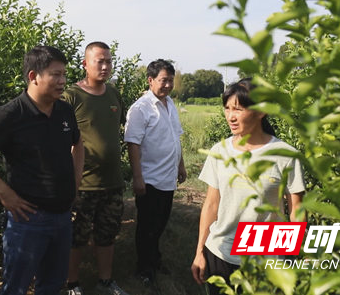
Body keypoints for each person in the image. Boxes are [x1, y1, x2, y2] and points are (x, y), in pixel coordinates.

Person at [0, 46, 84, 295]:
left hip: (62, 216)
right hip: (28, 219)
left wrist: (75, 182)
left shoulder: (64, 110)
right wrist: (5, 195)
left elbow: (77, 145)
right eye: (55, 75)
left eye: (64, 75)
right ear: (33, 76)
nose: (62, 81)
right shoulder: (11, 113)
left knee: (52, 284)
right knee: (16, 287)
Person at [190, 78, 305, 295]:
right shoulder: (220, 151)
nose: (230, 117)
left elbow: (297, 210)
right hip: (221, 254)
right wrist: (199, 252)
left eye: (238, 109)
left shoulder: (285, 155)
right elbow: (211, 205)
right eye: (227, 109)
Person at [61, 42, 129, 295]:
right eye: (99, 61)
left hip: (112, 182)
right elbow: (61, 139)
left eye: (108, 61)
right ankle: (72, 284)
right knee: (76, 236)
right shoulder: (71, 96)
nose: (104, 66)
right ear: (85, 64)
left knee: (107, 234)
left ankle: (105, 281)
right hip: (82, 183)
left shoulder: (113, 94)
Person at [124, 59, 187, 287]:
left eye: (171, 80)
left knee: (160, 223)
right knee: (147, 226)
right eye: (163, 80)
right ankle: (144, 268)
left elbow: (175, 137)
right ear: (150, 81)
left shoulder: (170, 103)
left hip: (168, 177)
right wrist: (138, 177)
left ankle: (154, 258)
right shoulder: (140, 109)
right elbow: (133, 144)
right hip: (150, 179)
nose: (168, 85)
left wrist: (181, 164)